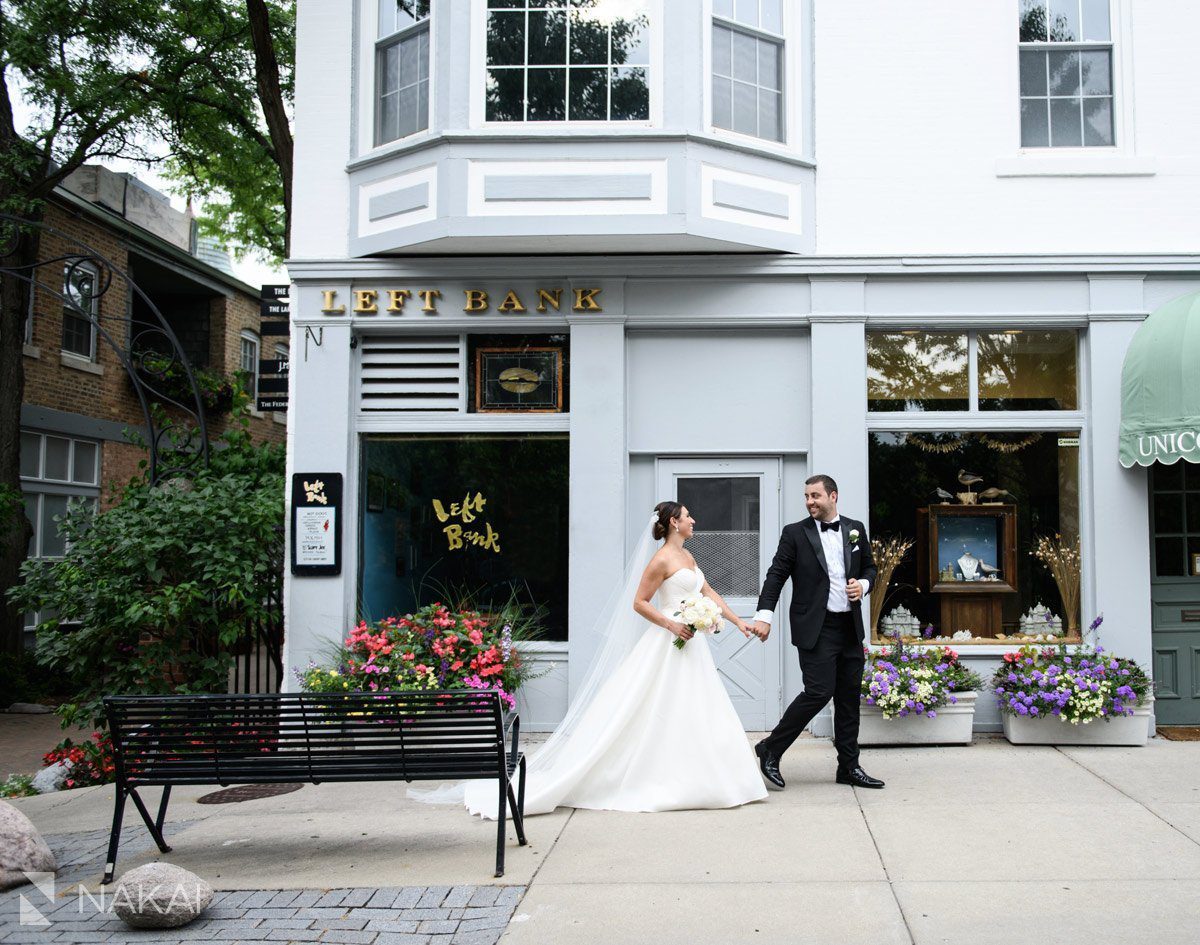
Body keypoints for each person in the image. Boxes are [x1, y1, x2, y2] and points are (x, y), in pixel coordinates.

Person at [446, 501, 769, 818]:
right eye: (688, 516)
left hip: (692, 645)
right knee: (651, 704)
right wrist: (672, 623)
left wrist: (738, 622)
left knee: (697, 705)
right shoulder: (661, 560)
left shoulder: (688, 555)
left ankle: (707, 776)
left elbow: (708, 592)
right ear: (674, 522)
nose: (693, 520)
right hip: (669, 638)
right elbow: (640, 603)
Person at [750, 474, 885, 791]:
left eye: (815, 496)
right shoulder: (795, 534)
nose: (810, 501)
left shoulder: (855, 529)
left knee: (849, 700)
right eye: (807, 496)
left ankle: (849, 767)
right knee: (819, 692)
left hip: (849, 628)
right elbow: (776, 575)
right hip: (816, 628)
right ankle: (771, 747)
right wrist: (764, 615)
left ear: (833, 496)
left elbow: (870, 568)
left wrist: (863, 585)